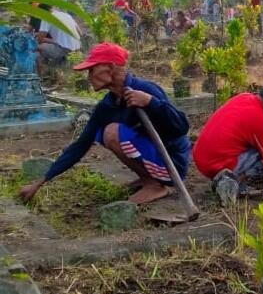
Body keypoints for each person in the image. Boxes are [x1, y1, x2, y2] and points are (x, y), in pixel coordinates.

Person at [18, 43, 192, 204]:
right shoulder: (108, 105)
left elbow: (181, 127)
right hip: (154, 157)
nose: (88, 76)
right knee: (101, 133)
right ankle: (148, 178)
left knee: (112, 132)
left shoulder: (146, 89)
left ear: (109, 68)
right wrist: (40, 182)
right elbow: (81, 145)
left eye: (91, 70)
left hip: (172, 164)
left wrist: (151, 102)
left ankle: (155, 185)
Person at [35, 4, 81, 70]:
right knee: (47, 42)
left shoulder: (47, 17)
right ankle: (59, 64)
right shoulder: (66, 15)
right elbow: (80, 32)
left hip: (64, 50)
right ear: (51, 7)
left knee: (35, 47)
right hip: (77, 48)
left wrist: (37, 36)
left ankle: (42, 72)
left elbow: (39, 39)